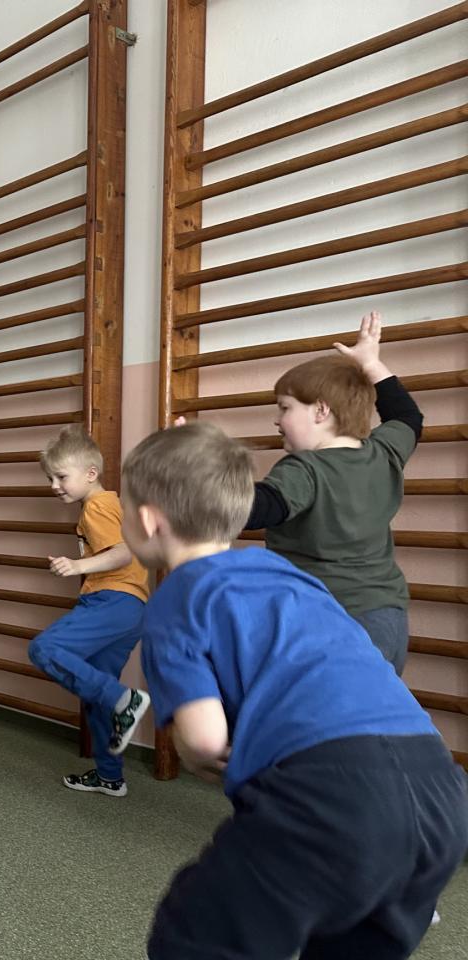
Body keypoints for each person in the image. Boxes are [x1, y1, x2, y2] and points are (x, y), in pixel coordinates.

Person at [121, 422, 467, 960]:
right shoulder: (289, 575)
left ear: (147, 520)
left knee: (195, 934)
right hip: (440, 792)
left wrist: (199, 755)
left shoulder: (179, 596)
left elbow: (206, 739)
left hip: (333, 797)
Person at [245, 311, 421, 673]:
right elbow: (407, 417)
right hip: (387, 617)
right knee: (373, 705)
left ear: (321, 411)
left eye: (285, 408)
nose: (277, 420)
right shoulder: (382, 453)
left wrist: (192, 469)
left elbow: (256, 508)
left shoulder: (305, 469)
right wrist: (371, 364)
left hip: (328, 620)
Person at [26, 426, 151, 797]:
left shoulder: (97, 506)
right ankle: (110, 776)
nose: (54, 486)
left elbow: (124, 552)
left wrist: (77, 566)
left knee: (44, 649)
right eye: (50, 479)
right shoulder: (112, 504)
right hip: (131, 608)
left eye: (61, 477)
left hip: (112, 601)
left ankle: (126, 700)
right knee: (96, 694)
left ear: (91, 473)